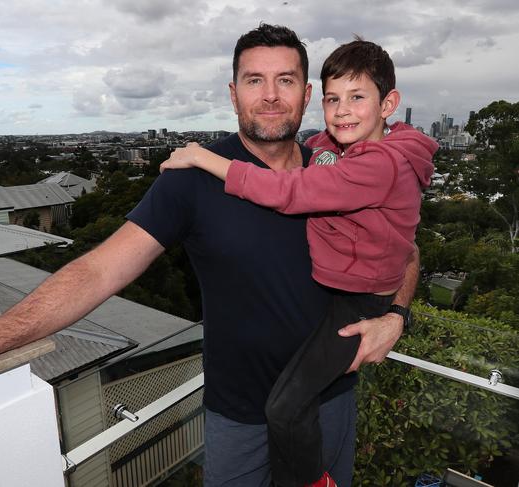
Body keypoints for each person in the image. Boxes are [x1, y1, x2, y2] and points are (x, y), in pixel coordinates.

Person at [0, 25, 418, 487]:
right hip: (238, 418)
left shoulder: (338, 169)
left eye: (286, 80)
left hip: (332, 396)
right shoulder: (193, 179)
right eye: (255, 80)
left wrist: (396, 315)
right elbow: (98, 270)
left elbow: (405, 251)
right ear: (233, 94)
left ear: (306, 95)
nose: (270, 95)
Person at [160, 38, 438, 486]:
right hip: (343, 303)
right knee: (291, 402)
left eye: (357, 98)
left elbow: (287, 192)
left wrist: (201, 157)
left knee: (285, 406)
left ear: (389, 104)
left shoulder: (376, 166)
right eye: (333, 100)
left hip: (357, 304)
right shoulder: (349, 149)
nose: (343, 111)